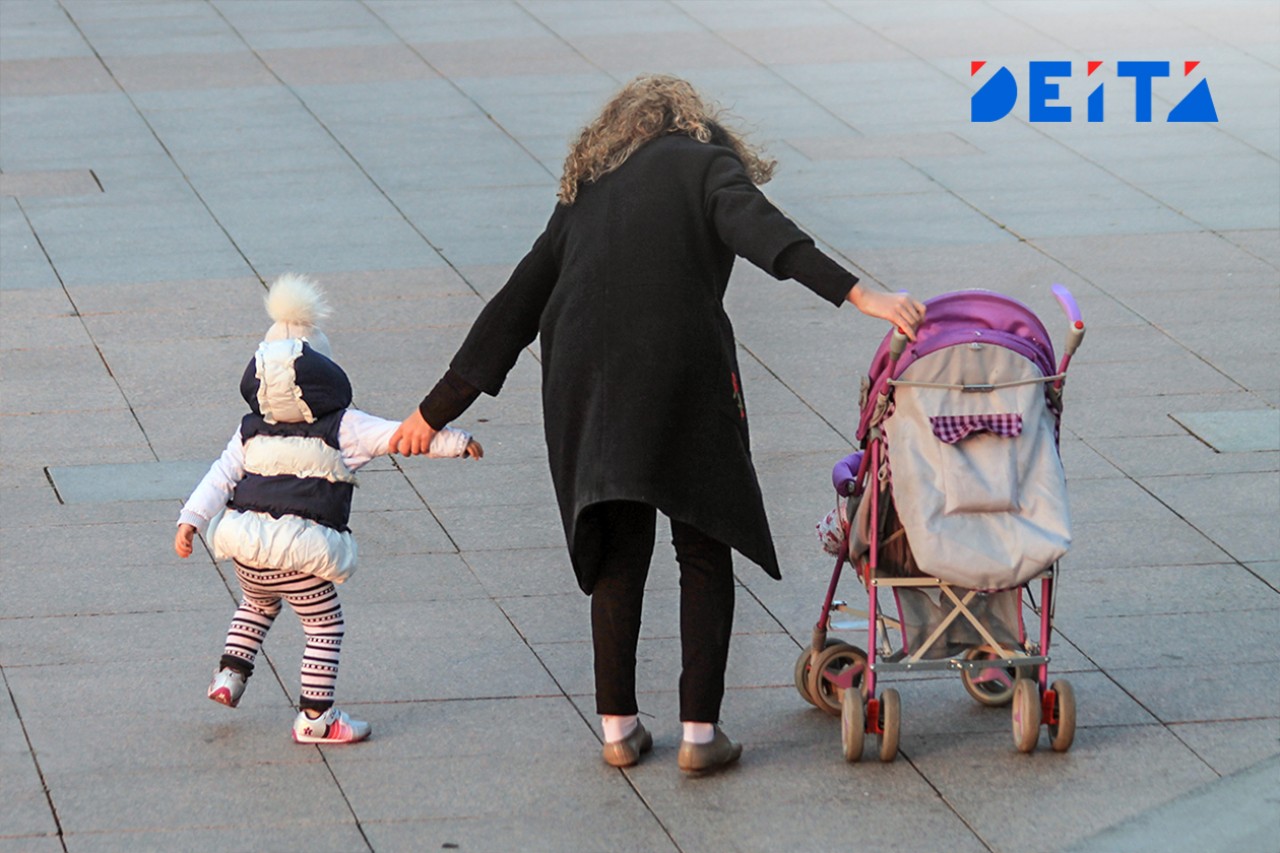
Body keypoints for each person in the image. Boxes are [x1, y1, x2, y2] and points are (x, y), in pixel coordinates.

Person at [389, 75, 924, 771]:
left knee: (618, 550)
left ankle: (618, 730)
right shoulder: (707, 164)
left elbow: (514, 305)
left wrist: (430, 413)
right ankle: (700, 735)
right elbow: (763, 232)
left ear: (620, 131)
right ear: (695, 125)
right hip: (682, 372)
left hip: (585, 380)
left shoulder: (587, 189)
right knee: (703, 544)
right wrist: (860, 294)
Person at [175, 273, 482, 744]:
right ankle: (316, 718)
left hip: (247, 553)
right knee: (324, 625)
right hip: (300, 554)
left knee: (256, 603)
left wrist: (191, 521)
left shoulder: (250, 429)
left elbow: (220, 477)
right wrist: (456, 441)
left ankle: (229, 675)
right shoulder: (343, 426)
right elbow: (400, 436)